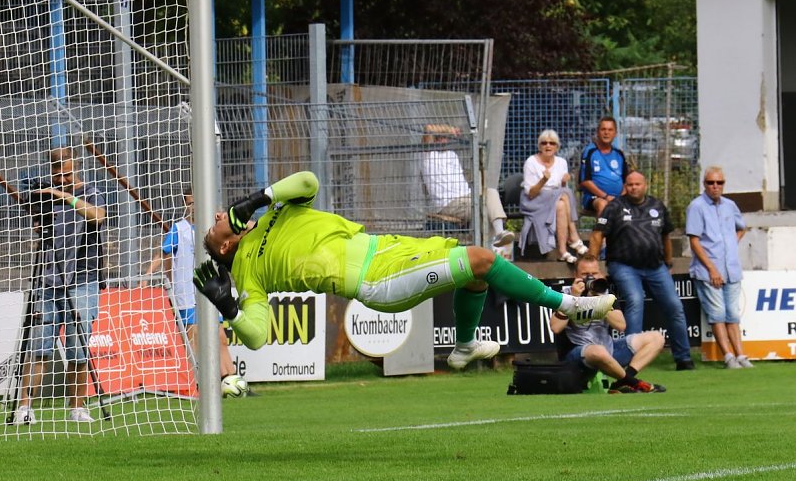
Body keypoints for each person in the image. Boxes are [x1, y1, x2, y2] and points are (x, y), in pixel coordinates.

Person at [193, 171, 616, 371]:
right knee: (482, 260)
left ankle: (464, 346)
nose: (216, 215)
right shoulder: (247, 270)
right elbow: (257, 335)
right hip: (375, 280)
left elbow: (308, 181)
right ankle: (572, 305)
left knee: (475, 275)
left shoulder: (273, 214)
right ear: (226, 244)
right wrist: (229, 306)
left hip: (385, 247)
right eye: (214, 224)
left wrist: (256, 199)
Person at [15, 147, 106, 425]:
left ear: (75, 167)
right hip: (48, 278)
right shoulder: (47, 199)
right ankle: (24, 408)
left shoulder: (89, 192)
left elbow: (98, 216)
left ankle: (77, 408)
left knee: (78, 348)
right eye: (58, 173)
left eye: (67, 173)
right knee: (39, 346)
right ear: (52, 171)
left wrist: (67, 197)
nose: (63, 178)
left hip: (82, 280)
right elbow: (39, 230)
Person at [143, 187, 249, 395]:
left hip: (211, 294)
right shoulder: (179, 229)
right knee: (196, 341)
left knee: (220, 337)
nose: (195, 207)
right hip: (187, 295)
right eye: (191, 203)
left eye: (198, 202)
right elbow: (163, 255)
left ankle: (231, 381)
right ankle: (202, 386)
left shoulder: (215, 229)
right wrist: (148, 279)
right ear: (186, 204)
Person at [588, 171, 695, 371]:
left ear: (645, 185)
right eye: (630, 184)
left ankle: (684, 358)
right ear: (625, 186)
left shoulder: (657, 206)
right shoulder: (615, 207)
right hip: (624, 265)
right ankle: (632, 360)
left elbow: (665, 237)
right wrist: (593, 265)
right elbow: (596, 235)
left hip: (656, 267)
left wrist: (669, 263)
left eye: (637, 184)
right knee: (635, 301)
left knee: (675, 307)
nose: (633, 188)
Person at [550, 254, 666, 393]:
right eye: (585, 274)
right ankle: (635, 383)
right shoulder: (565, 294)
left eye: (594, 274)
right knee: (598, 351)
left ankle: (622, 382)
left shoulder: (605, 294)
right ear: (575, 275)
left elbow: (621, 325)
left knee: (656, 338)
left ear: (601, 274)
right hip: (576, 355)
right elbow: (555, 327)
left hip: (607, 350)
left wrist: (599, 301)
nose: (590, 278)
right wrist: (573, 299)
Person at [686, 166, 752, 369]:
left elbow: (742, 227)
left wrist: (730, 245)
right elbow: (694, 241)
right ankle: (728, 356)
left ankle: (741, 355)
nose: (715, 186)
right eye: (711, 183)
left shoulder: (730, 205)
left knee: (732, 314)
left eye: (719, 183)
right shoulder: (696, 206)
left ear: (724, 184)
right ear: (704, 184)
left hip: (731, 269)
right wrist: (712, 268)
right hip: (708, 271)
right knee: (717, 314)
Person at [421, 124, 514, 249]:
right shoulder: (427, 156)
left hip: (466, 197)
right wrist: (451, 129)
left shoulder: (451, 154)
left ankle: (499, 233)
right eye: (439, 137)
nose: (443, 140)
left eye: (446, 137)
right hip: (448, 203)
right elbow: (428, 128)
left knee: (491, 192)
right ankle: (488, 247)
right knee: (483, 210)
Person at [518, 129, 588, 263]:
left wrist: (563, 182)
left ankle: (562, 251)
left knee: (561, 203)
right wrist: (543, 180)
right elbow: (531, 193)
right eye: (544, 143)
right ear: (539, 146)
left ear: (557, 147)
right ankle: (573, 236)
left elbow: (562, 189)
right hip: (534, 201)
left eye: (552, 143)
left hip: (555, 199)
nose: (548, 146)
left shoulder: (561, 162)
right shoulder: (531, 162)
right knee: (564, 194)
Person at [579, 117, 628, 216]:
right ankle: (602, 231)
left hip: (618, 198)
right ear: (598, 132)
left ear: (615, 133)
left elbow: (626, 181)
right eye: (603, 129)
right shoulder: (590, 152)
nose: (606, 133)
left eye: (610, 130)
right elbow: (585, 181)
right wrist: (606, 196)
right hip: (595, 198)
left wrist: (620, 198)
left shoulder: (619, 154)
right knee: (603, 205)